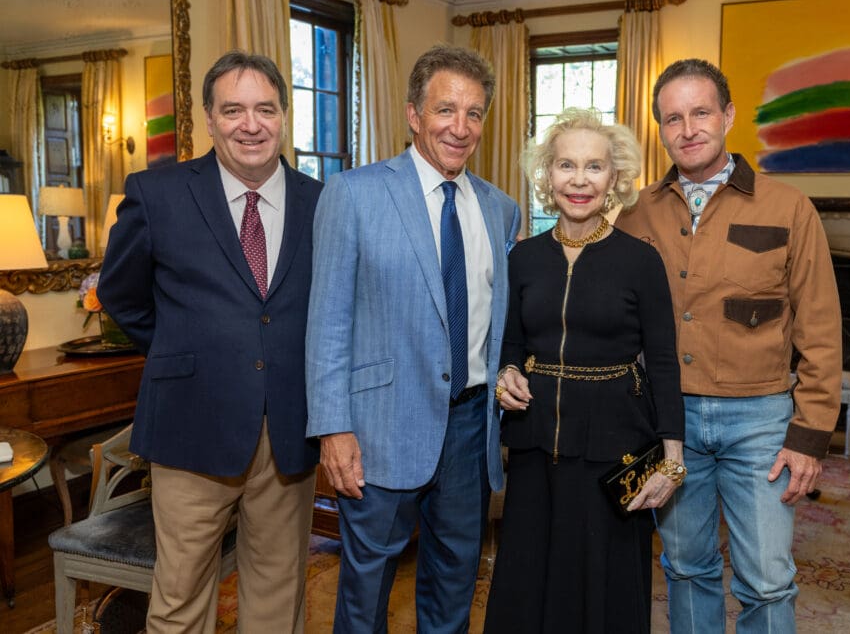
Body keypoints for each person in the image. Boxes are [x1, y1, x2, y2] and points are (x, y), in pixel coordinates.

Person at [615, 58, 843, 633]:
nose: (687, 128)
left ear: (728, 115)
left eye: (700, 112)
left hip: (761, 422)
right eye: (672, 118)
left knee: (767, 579)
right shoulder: (635, 213)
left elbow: (819, 328)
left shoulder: (788, 208)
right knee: (686, 567)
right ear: (660, 130)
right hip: (669, 423)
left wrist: (809, 437)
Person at [98, 51, 323, 633]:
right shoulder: (156, 193)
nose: (251, 124)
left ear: (283, 116)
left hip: (289, 429)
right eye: (233, 110)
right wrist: (186, 352)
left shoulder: (321, 202)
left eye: (265, 109)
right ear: (208, 118)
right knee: (179, 597)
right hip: (189, 424)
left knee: (278, 593)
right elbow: (123, 297)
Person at [305, 44, 521, 633]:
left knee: (455, 581)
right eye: (445, 109)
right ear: (413, 114)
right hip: (378, 428)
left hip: (472, 428)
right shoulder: (353, 194)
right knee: (365, 589)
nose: (460, 126)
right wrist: (334, 428)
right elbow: (326, 322)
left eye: (474, 113)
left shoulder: (502, 210)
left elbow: (497, 323)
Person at [483, 108, 684, 634]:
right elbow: (510, 342)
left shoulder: (641, 261)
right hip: (533, 448)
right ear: (547, 175)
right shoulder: (523, 257)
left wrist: (672, 460)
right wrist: (507, 374)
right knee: (530, 578)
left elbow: (663, 361)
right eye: (566, 165)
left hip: (612, 447)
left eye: (594, 167)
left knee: (602, 585)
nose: (579, 180)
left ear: (614, 177)